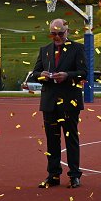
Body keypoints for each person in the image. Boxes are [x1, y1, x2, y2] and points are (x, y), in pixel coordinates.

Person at [32, 19, 87, 188]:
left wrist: (67, 75)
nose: (56, 37)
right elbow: (34, 73)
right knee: (52, 140)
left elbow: (83, 72)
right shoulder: (45, 50)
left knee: (71, 138)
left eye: (60, 33)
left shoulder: (77, 48)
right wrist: (42, 74)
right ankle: (53, 174)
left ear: (67, 31)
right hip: (49, 101)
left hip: (69, 100)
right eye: (53, 34)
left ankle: (74, 175)